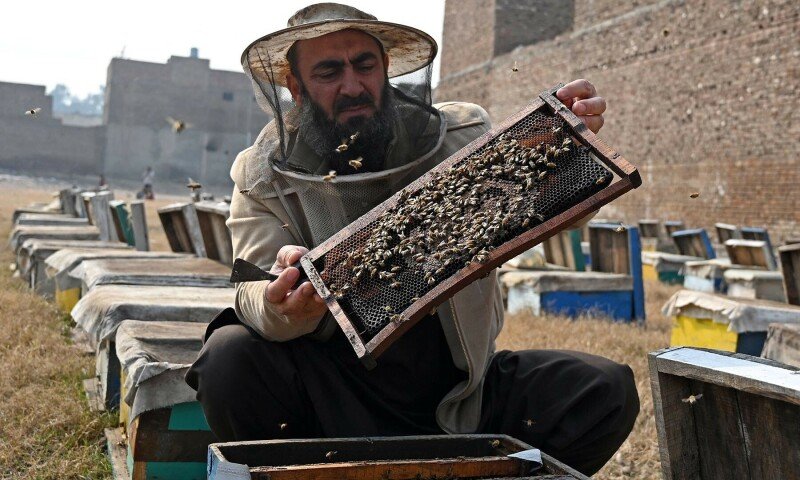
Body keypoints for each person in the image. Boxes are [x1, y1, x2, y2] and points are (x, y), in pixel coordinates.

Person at [186, 4, 637, 475]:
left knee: (604, 390)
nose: (353, 85)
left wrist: (557, 155)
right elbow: (252, 291)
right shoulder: (261, 177)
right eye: (328, 71)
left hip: (462, 395)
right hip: (334, 397)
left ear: (385, 69)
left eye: (365, 65)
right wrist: (283, 306)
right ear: (295, 87)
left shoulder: (458, 134)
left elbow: (538, 216)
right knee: (228, 359)